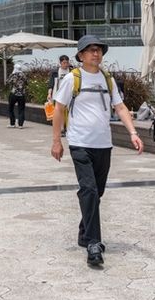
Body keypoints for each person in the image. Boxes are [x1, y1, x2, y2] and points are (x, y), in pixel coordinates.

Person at [50, 35, 143, 267]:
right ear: (81, 55)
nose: (96, 53)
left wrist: (133, 132)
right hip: (80, 143)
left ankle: (84, 232)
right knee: (89, 190)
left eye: (99, 50)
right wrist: (56, 141)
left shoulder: (107, 79)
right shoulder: (72, 78)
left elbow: (120, 107)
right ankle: (93, 243)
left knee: (96, 191)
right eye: (91, 50)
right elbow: (59, 109)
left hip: (104, 144)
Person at [6, 64, 28, 128]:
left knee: (11, 108)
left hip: (14, 94)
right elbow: (27, 83)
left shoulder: (13, 75)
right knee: (21, 109)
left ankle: (12, 124)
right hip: (22, 94)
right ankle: (20, 125)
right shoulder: (24, 75)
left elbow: (7, 82)